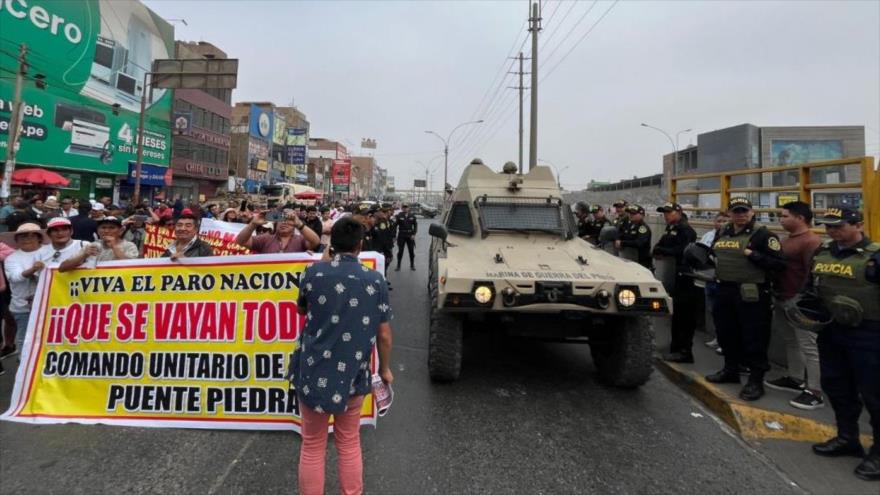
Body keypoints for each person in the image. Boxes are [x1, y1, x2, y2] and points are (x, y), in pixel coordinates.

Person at [291, 217, 394, 495]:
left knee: (312, 444)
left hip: (313, 370)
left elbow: (302, 311)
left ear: (331, 244)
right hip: (353, 372)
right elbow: (384, 334)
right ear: (361, 245)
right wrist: (385, 370)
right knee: (348, 443)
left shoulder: (312, 274)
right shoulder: (375, 280)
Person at [807, 207, 880, 481]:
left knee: (874, 394)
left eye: (838, 226)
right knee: (837, 387)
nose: (832, 231)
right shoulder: (823, 253)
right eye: (828, 226)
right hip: (832, 331)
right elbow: (811, 287)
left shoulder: (875, 256)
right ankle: (847, 437)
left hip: (869, 334)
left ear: (858, 225)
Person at [705, 197, 786, 401]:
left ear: (751, 212)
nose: (740, 214)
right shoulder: (723, 231)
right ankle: (730, 370)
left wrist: (753, 255)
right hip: (725, 289)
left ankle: (756, 381)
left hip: (752, 294)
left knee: (754, 338)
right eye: (736, 211)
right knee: (726, 333)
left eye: (744, 211)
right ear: (729, 213)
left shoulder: (763, 235)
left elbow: (779, 264)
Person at [764, 201, 824, 410]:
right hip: (782, 296)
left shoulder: (811, 241)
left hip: (799, 301)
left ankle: (815, 391)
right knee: (790, 340)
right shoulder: (787, 240)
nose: (781, 219)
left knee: (809, 345)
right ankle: (795, 378)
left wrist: (804, 298)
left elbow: (813, 272)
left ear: (800, 218)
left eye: (785, 216)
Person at [653, 202, 700, 362]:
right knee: (675, 314)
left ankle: (684, 351)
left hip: (684, 277)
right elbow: (658, 247)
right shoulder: (671, 228)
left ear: (679, 212)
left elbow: (681, 251)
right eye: (664, 213)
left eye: (669, 212)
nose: (666, 215)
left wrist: (664, 251)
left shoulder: (685, 230)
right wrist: (661, 251)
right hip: (671, 275)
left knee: (683, 315)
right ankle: (675, 347)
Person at [3, 223, 47, 354]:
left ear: (39, 238)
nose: (27, 239)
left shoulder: (50, 251)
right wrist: (33, 270)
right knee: (25, 339)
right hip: (23, 307)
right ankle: (24, 368)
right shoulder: (11, 258)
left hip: (51, 305)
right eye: (22, 236)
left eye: (32, 236)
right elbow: (15, 277)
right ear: (16, 240)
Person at [59, 217, 140, 271]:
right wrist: (84, 255)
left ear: (121, 231)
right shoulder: (92, 245)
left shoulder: (129, 246)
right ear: (98, 231)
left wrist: (115, 247)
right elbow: (62, 268)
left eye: (111, 228)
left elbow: (133, 269)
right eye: (103, 227)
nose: (106, 231)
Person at [701, 212, 730, 350]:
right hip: (709, 278)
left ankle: (725, 341)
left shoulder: (731, 237)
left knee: (725, 313)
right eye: (719, 220)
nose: (722, 223)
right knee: (713, 310)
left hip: (723, 279)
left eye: (725, 220)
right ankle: (718, 337)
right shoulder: (708, 236)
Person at [234, 211, 319, 254]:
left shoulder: (300, 240)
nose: (284, 223)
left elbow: (316, 241)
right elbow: (240, 241)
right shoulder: (265, 238)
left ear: (294, 226)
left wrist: (300, 224)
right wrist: (253, 224)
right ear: (276, 223)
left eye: (289, 221)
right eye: (281, 220)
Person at [615, 204, 652, 269]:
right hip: (629, 259)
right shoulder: (629, 226)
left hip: (640, 261)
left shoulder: (643, 228)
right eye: (629, 213)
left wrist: (623, 243)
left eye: (633, 213)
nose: (630, 215)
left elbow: (639, 243)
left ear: (641, 215)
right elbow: (620, 234)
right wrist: (618, 240)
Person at [394, 203, 417, 271]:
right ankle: (398, 265)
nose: (405, 208)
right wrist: (394, 235)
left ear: (408, 208)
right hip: (402, 235)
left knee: (411, 251)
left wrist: (414, 234)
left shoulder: (412, 216)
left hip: (410, 235)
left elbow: (415, 226)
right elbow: (395, 226)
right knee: (400, 251)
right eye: (404, 207)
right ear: (402, 208)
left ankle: (412, 265)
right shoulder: (399, 216)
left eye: (406, 207)